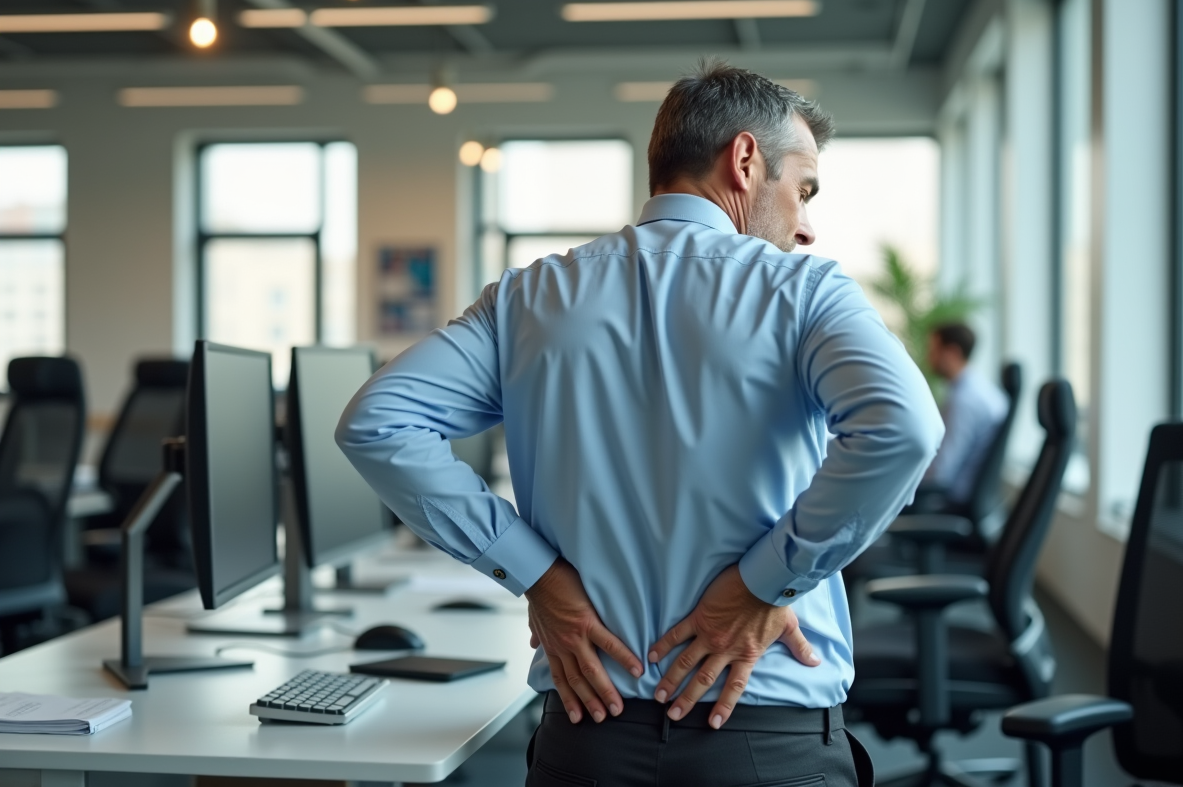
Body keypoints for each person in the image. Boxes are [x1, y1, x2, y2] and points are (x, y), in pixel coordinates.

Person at [337, 61, 942, 787]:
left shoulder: (532, 297)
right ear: (745, 160)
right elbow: (902, 429)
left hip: (587, 739)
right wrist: (762, 584)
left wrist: (535, 574)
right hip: (761, 737)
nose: (807, 226)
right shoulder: (802, 292)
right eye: (803, 189)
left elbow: (378, 421)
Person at [917, 322, 1009, 512]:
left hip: (950, 503)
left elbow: (939, 474)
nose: (928, 359)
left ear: (952, 352)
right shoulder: (981, 390)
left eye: (933, 351)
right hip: (969, 500)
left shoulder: (964, 401)